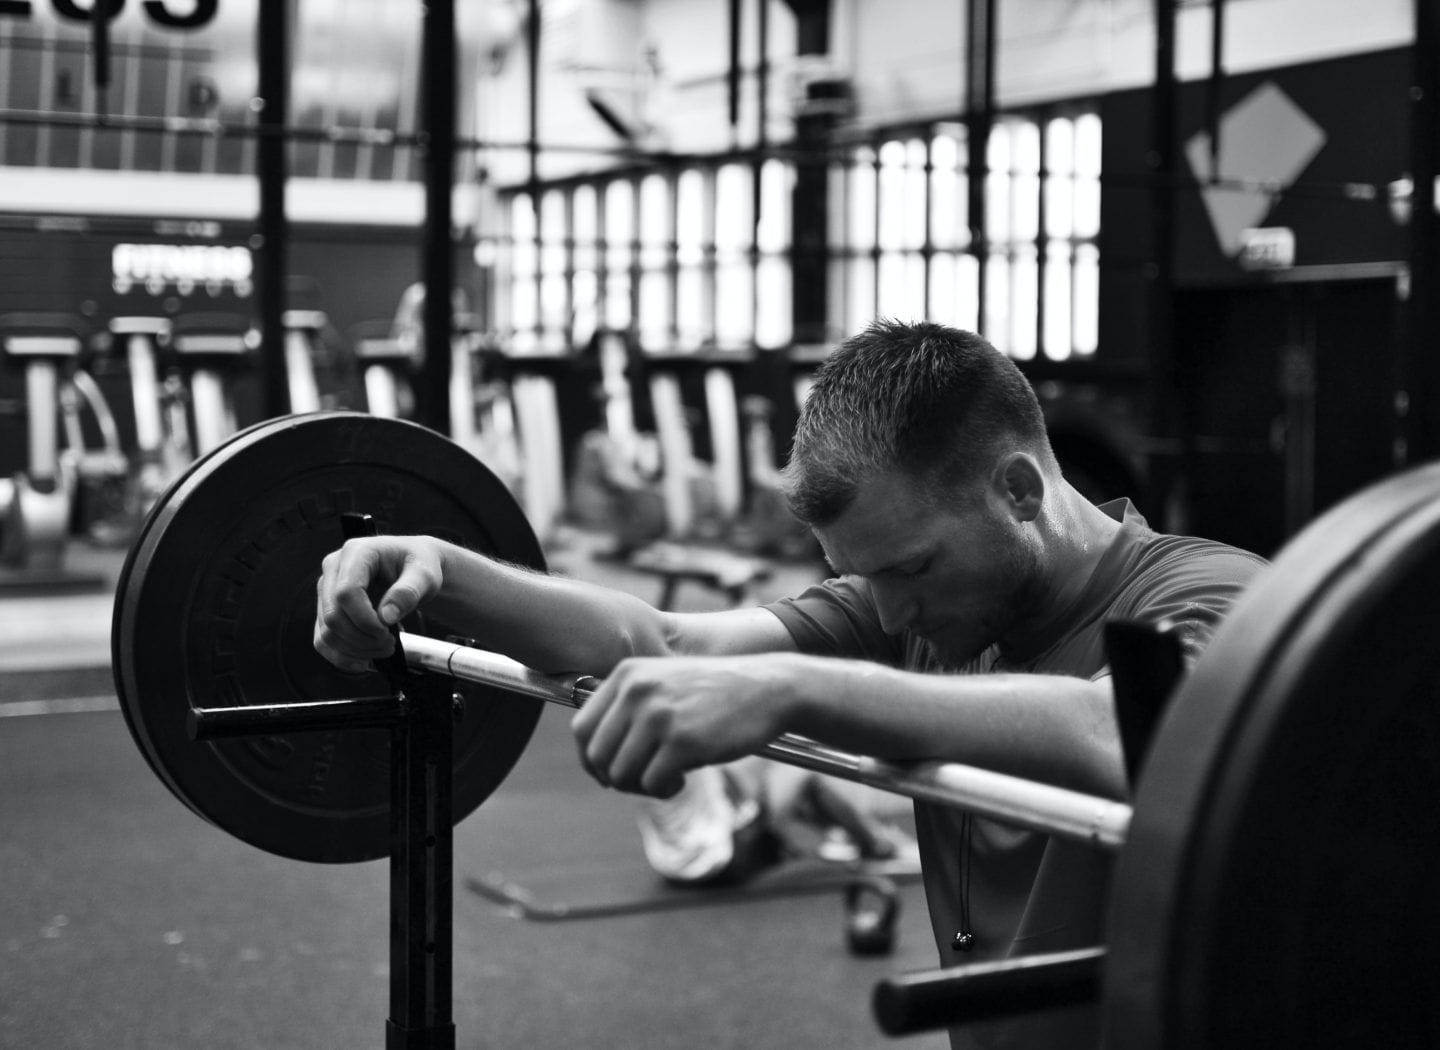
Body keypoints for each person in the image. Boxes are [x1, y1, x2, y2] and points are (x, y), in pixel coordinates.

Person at [314, 319, 1267, 1049]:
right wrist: (442, 569)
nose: (889, 617)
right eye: (870, 578)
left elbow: (1126, 729)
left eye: (912, 570)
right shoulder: (931, 603)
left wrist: (798, 690)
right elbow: (669, 643)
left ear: (1019, 490)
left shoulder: (1209, 594)